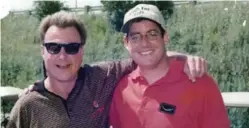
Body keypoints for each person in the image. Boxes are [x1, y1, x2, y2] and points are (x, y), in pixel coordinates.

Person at [7, 11, 207, 128]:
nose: (62, 55)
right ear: (43, 51)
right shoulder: (28, 106)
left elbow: (145, 57)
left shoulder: (101, 77)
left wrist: (185, 58)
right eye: (53, 47)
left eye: (71, 48)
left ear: (82, 51)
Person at [109, 4, 230, 128]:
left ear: (165, 37)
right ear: (126, 42)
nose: (144, 43)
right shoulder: (122, 90)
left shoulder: (199, 84)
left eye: (152, 34)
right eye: (135, 37)